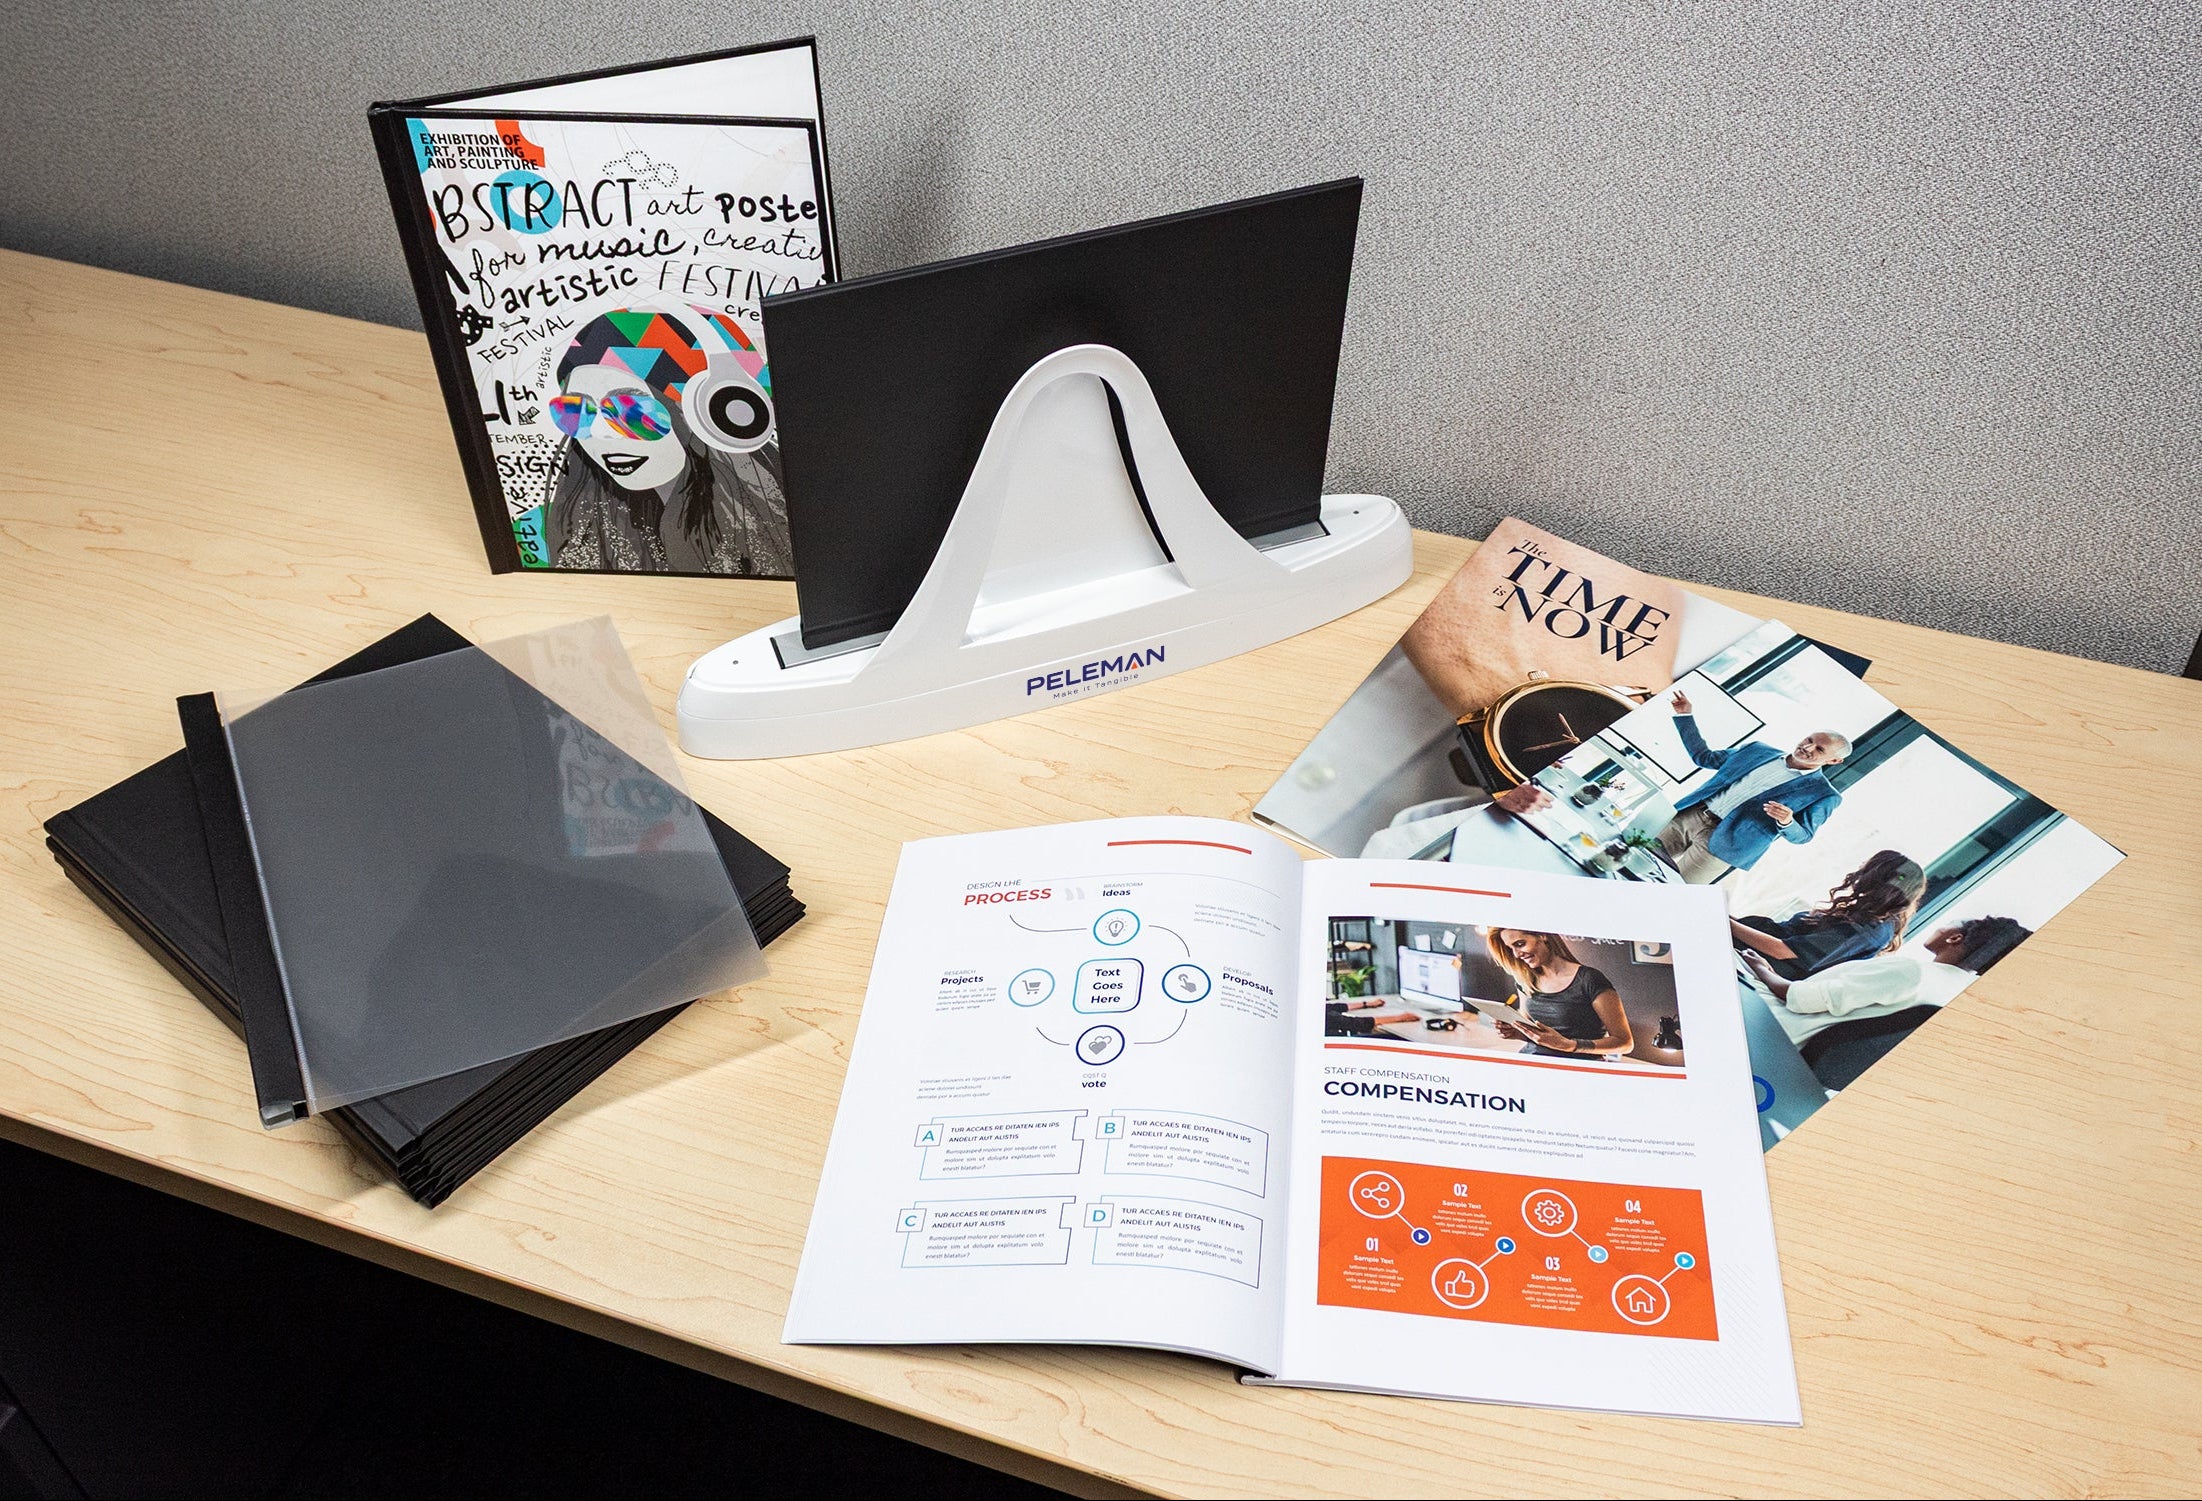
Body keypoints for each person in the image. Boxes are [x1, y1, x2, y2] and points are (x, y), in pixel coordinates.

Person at [543, 306, 793, 576]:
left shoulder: (791, 524)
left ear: (718, 419)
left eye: (631, 410)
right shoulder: (567, 526)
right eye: (575, 411)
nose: (600, 432)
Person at [1743, 915, 2031, 1050]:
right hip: (1793, 1052)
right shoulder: (1949, 997)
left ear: (1956, 938)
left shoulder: (1913, 974)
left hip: (1770, 1029)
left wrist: (1761, 968)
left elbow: (1799, 998)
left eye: (1952, 924)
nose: (1942, 926)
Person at [1653, 690, 1849, 882]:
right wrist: (1685, 716)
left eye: (1819, 749)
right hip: (1691, 816)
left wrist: (1787, 821)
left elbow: (1803, 836)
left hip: (1727, 845)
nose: (1807, 748)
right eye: (1809, 740)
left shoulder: (1824, 794)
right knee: (1632, 856)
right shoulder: (1756, 750)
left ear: (1834, 761)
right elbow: (1704, 757)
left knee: (1672, 890)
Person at [1728, 850, 1927, 980]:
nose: (1862, 865)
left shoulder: (1867, 931)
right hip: (1748, 947)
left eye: (1869, 865)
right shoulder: (1870, 915)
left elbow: (1782, 950)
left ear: (1878, 876)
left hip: (1758, 963)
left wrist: (1727, 924)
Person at [1484, 929, 1634, 1059]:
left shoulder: (1589, 980)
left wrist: (1570, 1045)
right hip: (1532, 1062)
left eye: (1520, 944)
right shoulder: (1525, 979)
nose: (1516, 954)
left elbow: (1625, 1043)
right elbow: (1534, 1031)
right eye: (1510, 948)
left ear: (1542, 936)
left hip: (1576, 1070)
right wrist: (1517, 1032)